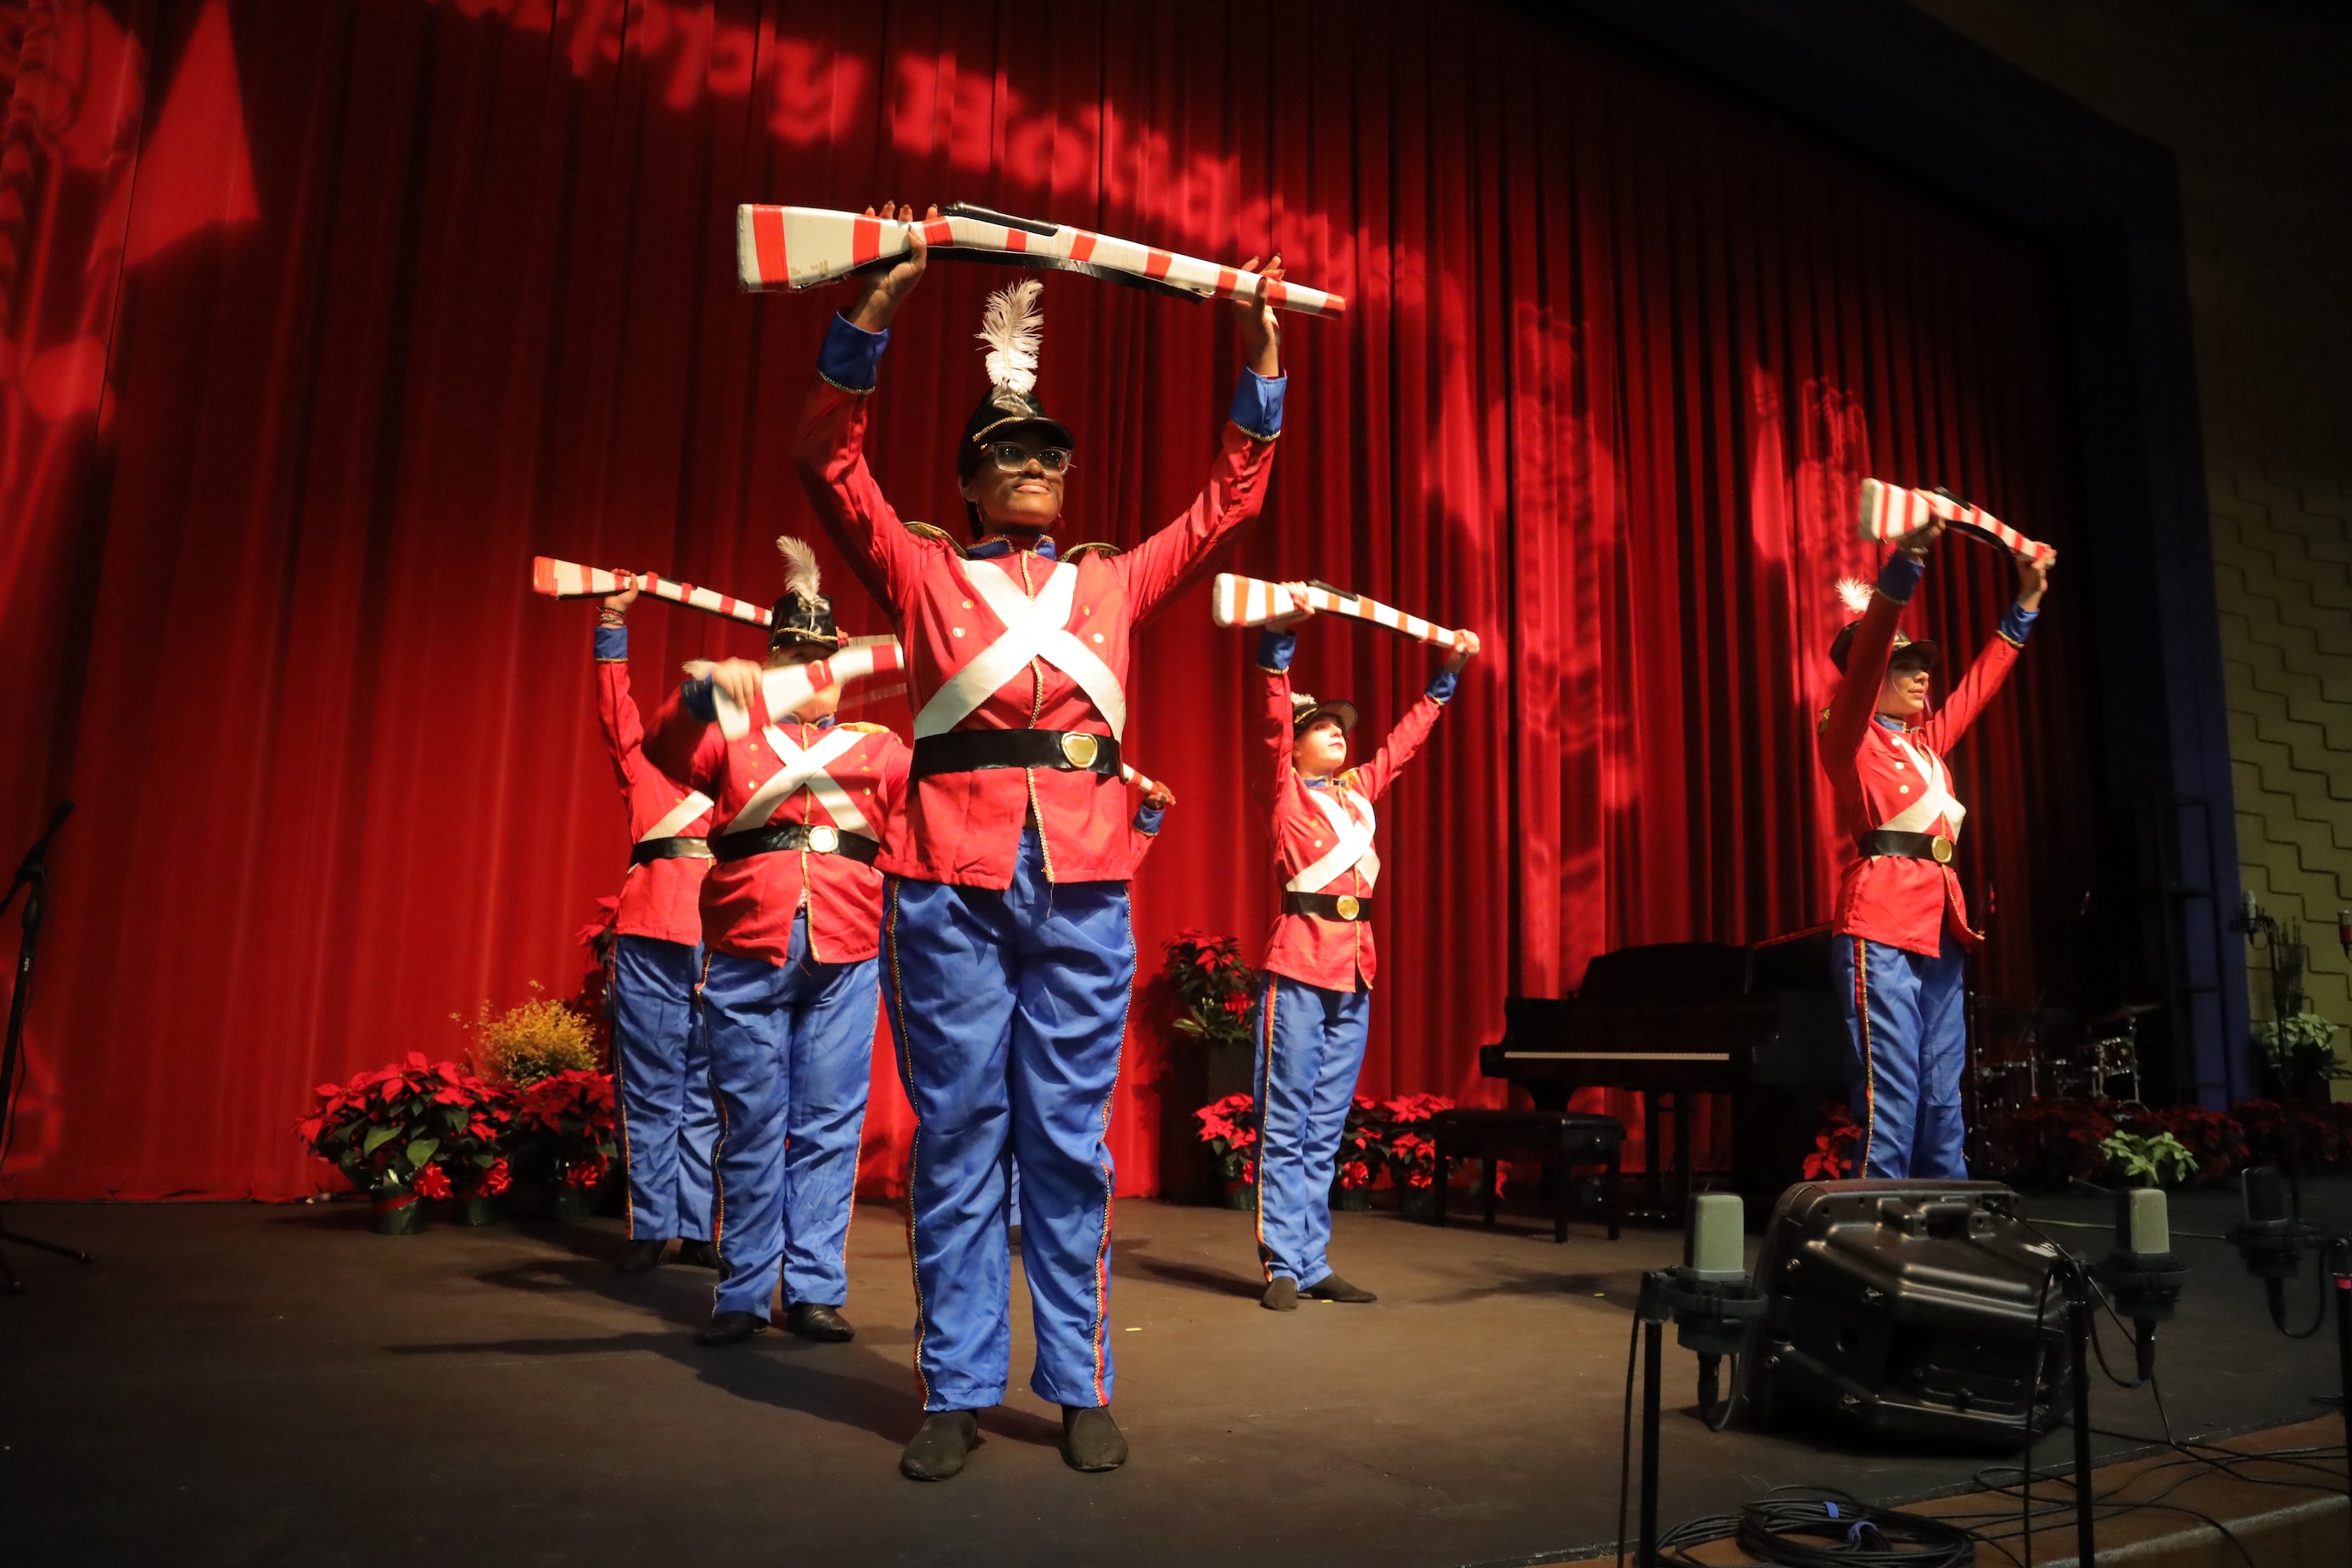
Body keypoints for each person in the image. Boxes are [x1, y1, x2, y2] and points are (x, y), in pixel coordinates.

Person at [793, 199, 1286, 1481]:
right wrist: (882, 302)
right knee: (957, 1135)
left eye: (1051, 454)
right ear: (965, 477)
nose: (1034, 464)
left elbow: (1232, 502)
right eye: (1008, 451)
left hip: (1081, 882)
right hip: (947, 878)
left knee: (1069, 1141)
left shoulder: (1111, 583)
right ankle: (953, 1384)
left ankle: (1076, 1380)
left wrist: (1261, 355)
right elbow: (829, 460)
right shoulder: (923, 573)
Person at [646, 538, 909, 1345]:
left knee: (830, 1123)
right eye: (794, 652)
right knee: (753, 1121)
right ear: (771, 661)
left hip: (848, 947)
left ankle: (816, 1285)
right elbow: (663, 750)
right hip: (746, 947)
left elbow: (925, 825)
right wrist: (700, 695)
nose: (810, 668)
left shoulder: (879, 746)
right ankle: (744, 1286)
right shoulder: (731, 733)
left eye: (823, 654)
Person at [1248, 586, 1477, 1310]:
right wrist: (1279, 647)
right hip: (1298, 960)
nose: (1337, 735)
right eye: (1322, 728)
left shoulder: (1358, 795)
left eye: (1342, 729)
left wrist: (1447, 676)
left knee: (1327, 1121)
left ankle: (1314, 1262)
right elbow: (1271, 724)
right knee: (1286, 1120)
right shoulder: (1284, 790)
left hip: (1355, 968)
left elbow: (1405, 743)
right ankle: (1281, 1262)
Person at [1818, 518, 2053, 1178]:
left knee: (1941, 1085)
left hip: (1940, 922)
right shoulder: (1847, 735)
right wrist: (1909, 559)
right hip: (1881, 919)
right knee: (1888, 1084)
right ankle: (1879, 1218)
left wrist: (2027, 599)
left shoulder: (1926, 746)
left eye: (1922, 664)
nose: (1922, 675)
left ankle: (1946, 1209)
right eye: (1905, 665)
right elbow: (1863, 669)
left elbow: (1983, 680)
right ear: (1871, 675)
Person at [593, 586, 719, 1274]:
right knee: (648, 1083)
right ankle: (650, 1222)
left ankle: (699, 1224)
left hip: (722, 938)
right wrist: (612, 624)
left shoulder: (741, 772)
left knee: (710, 1087)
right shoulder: (641, 769)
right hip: (648, 935)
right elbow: (616, 708)